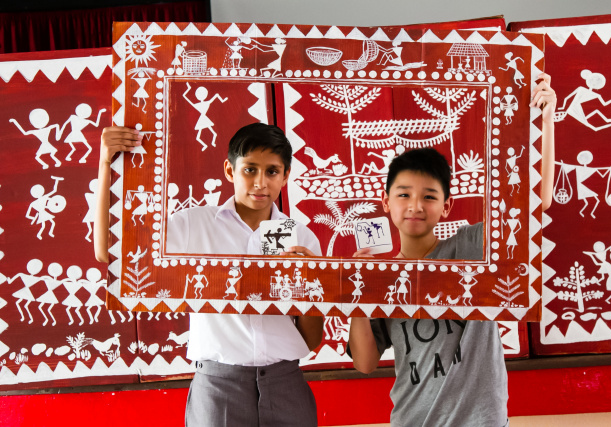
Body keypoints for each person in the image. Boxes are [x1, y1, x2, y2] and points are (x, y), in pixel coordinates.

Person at [348, 73, 556, 427]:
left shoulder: (470, 245)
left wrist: (545, 122)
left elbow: (534, 204)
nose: (415, 205)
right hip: (413, 420)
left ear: (446, 206)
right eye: (403, 194)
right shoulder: (379, 276)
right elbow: (364, 363)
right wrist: (357, 293)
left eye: (429, 196)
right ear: (385, 203)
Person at [95, 123, 323, 426]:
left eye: (272, 171)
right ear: (230, 170)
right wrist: (106, 164)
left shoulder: (301, 238)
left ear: (286, 176)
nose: (260, 182)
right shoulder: (194, 225)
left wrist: (308, 284)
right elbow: (110, 252)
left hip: (287, 384)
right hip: (219, 388)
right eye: (250, 170)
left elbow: (311, 339)